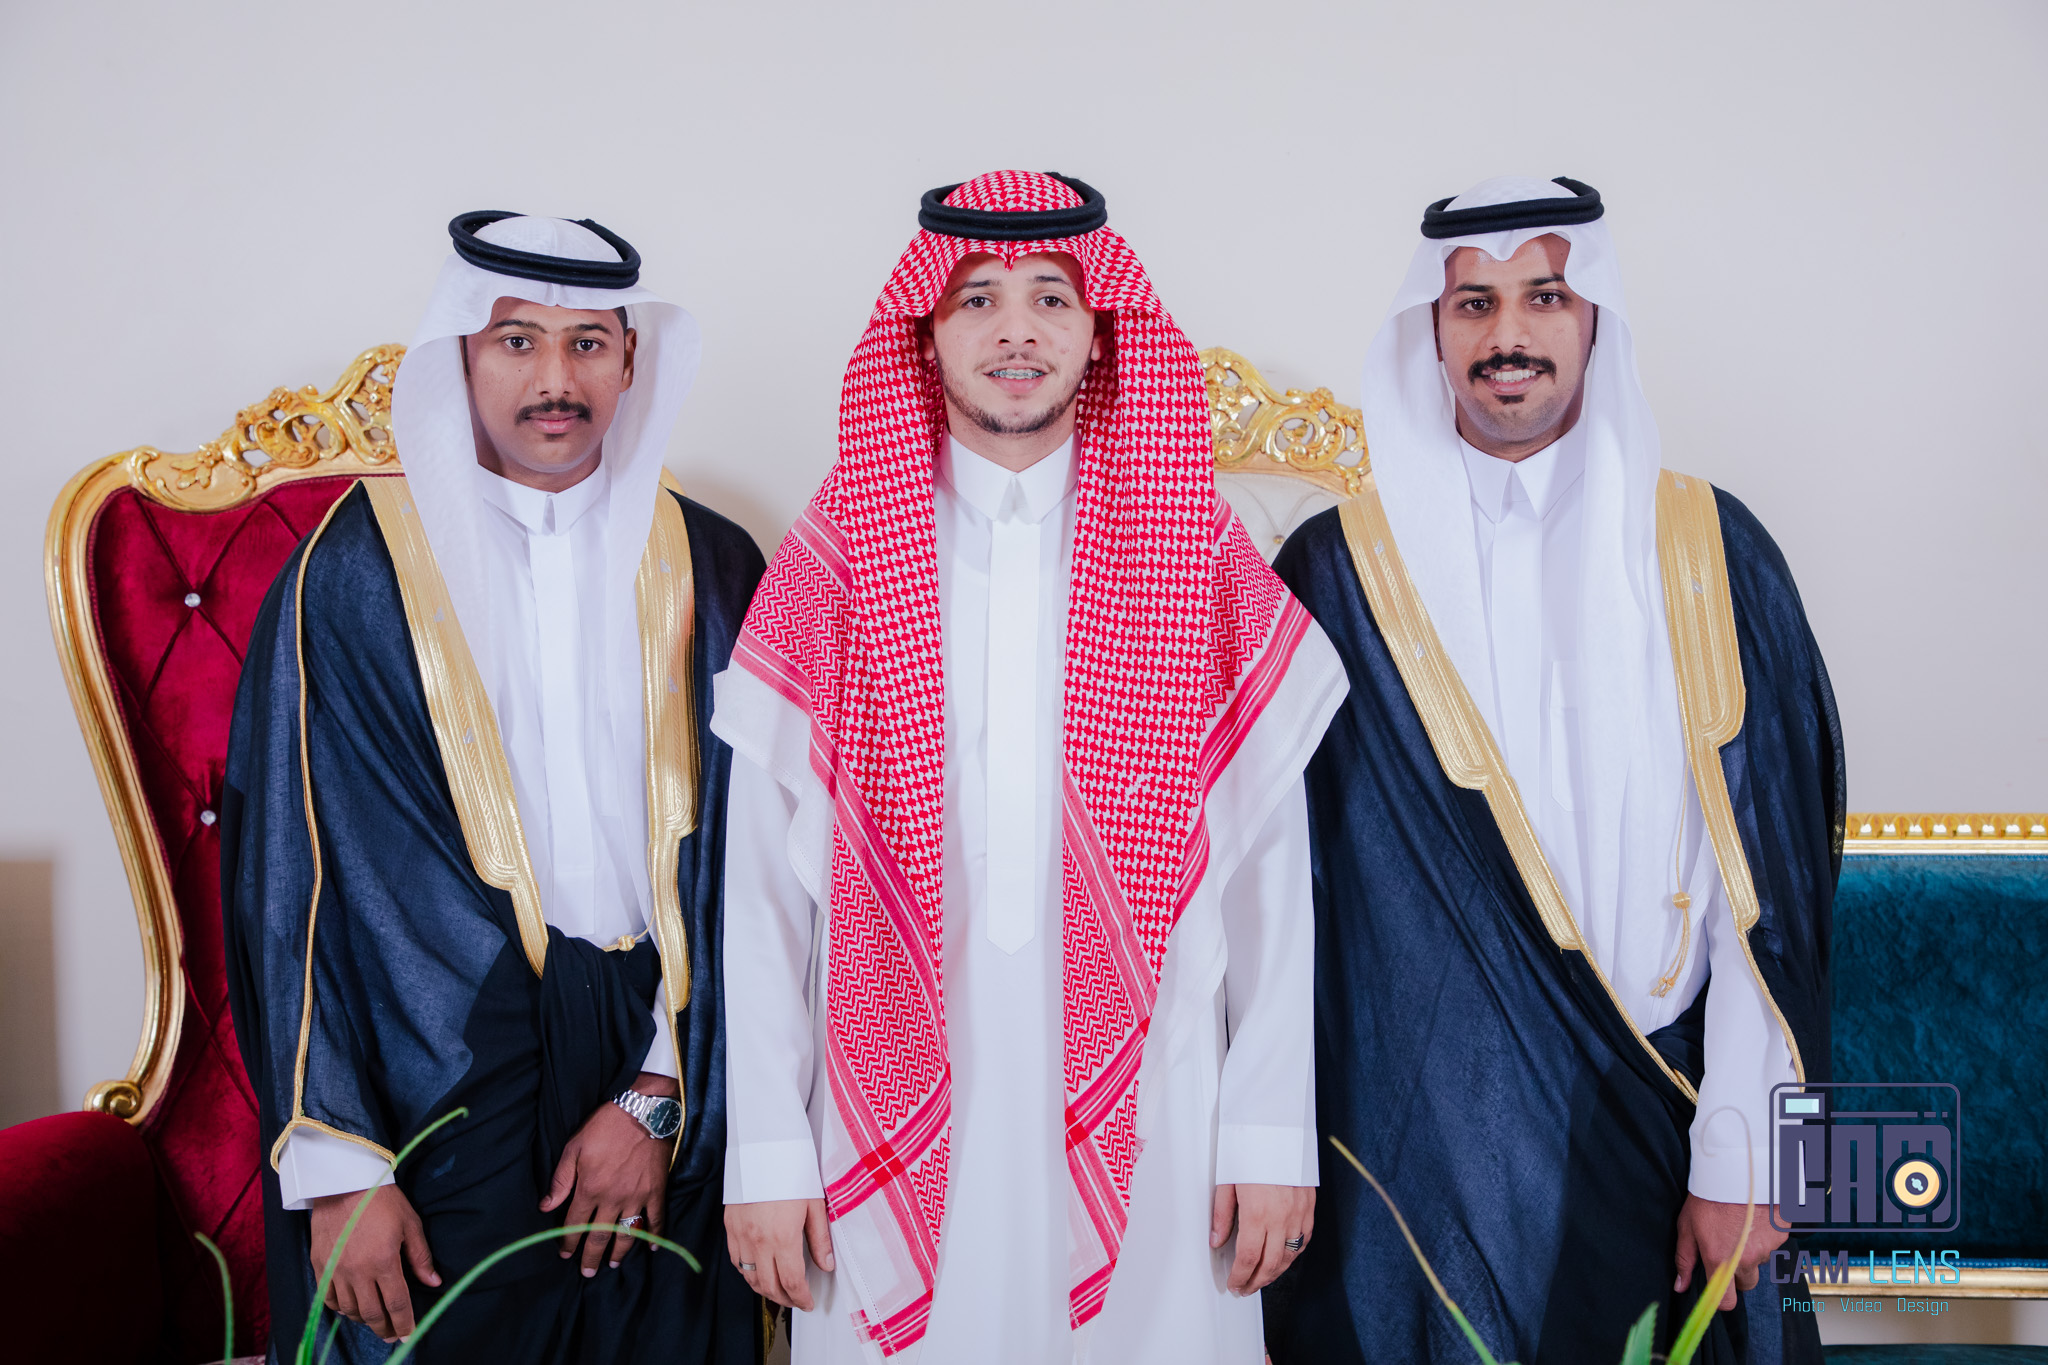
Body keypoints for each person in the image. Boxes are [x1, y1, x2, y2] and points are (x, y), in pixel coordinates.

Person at [714, 171, 1348, 1363]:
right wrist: (767, 1152)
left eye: (1051, 297)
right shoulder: (837, 559)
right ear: (924, 334)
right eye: (977, 300)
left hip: (1158, 1107)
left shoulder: (1191, 551)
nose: (1016, 329)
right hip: (880, 1103)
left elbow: (1268, 869)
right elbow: (760, 892)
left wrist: (1267, 1130)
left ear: (1100, 331)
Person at [1265, 178, 1837, 1364]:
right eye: (1472, 304)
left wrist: (1742, 1156)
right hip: (1417, 1154)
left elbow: (1766, 887)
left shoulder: (1709, 553)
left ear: (1593, 320)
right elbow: (1278, 890)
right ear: (1430, 331)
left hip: (1664, 1125)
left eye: (1543, 297)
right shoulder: (1337, 575)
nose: (1507, 334)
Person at [222, 212, 765, 1362]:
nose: (554, 379)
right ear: (460, 356)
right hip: (437, 1068)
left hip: (663, 1055)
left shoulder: (715, 568)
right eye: (517, 341)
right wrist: (341, 1168)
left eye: (587, 343)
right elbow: (299, 878)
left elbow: (755, 860)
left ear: (631, 362)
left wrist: (657, 1092)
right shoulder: (353, 572)